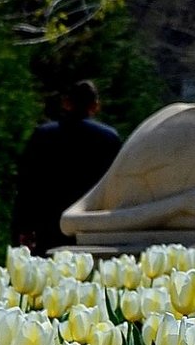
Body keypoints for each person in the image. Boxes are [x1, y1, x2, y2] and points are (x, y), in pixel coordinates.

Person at [12, 79, 123, 255]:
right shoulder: (109, 138)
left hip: (49, 222)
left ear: (66, 103)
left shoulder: (43, 135)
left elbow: (27, 184)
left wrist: (23, 226)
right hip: (90, 222)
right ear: (95, 106)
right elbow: (116, 186)